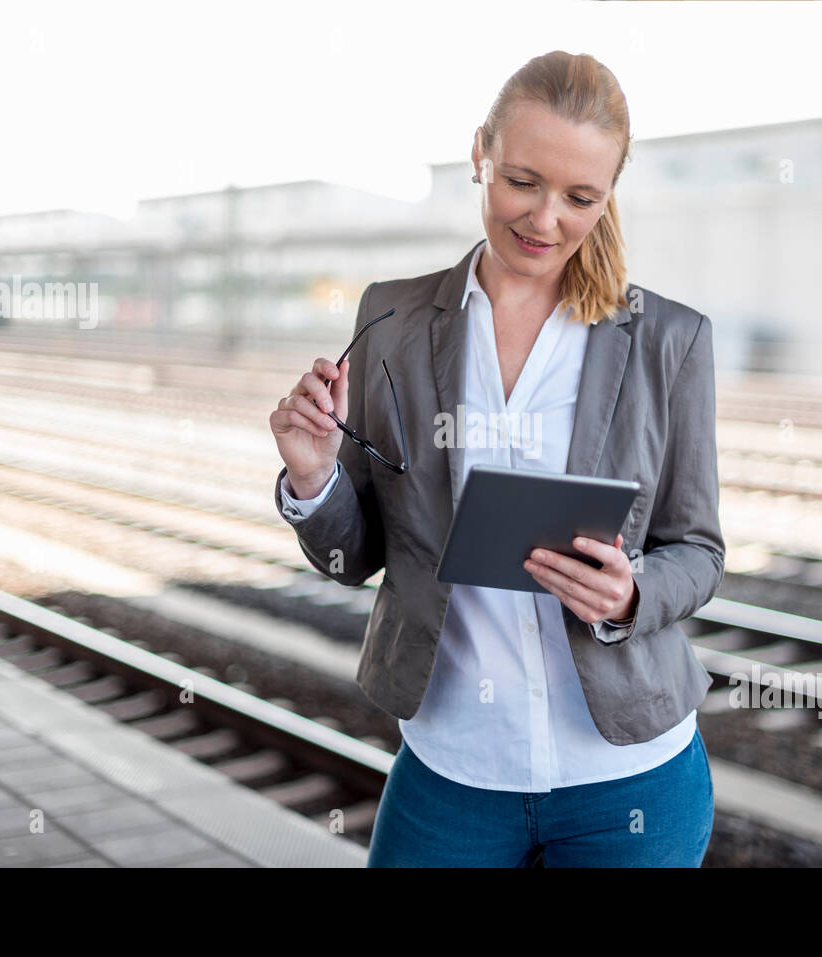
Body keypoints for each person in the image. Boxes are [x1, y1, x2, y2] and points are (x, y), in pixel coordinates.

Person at [269, 50, 724, 867]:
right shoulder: (393, 321)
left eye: (580, 197)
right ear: (480, 151)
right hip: (453, 774)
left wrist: (631, 594)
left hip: (630, 781)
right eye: (522, 180)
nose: (545, 219)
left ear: (609, 193)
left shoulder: (670, 341)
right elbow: (356, 554)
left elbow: (699, 549)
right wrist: (313, 477)